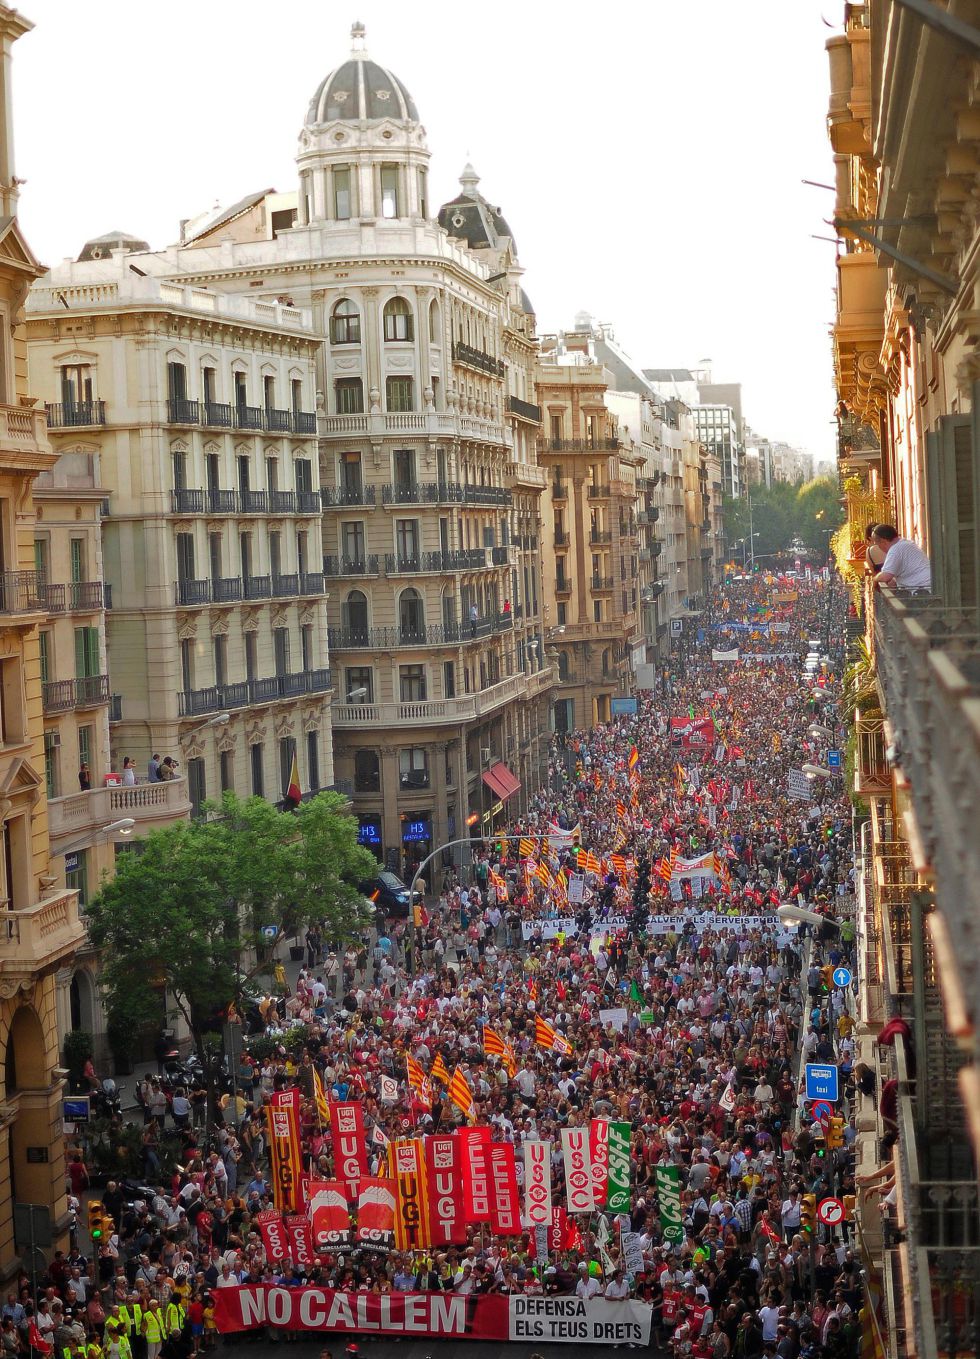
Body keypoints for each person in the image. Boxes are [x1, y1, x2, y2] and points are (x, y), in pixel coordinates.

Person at [872, 524, 932, 592]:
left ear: (883, 541)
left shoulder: (895, 549)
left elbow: (885, 576)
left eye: (878, 545)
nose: (879, 548)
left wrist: (875, 579)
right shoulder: (905, 543)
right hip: (929, 585)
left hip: (922, 589)